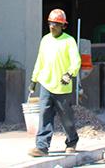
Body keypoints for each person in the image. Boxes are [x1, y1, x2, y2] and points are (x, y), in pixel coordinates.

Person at [27, 9, 81, 158]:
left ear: (63, 26)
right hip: (46, 84)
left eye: (56, 24)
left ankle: (72, 141)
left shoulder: (69, 41)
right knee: (45, 116)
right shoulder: (45, 40)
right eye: (50, 23)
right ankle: (42, 147)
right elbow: (40, 61)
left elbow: (76, 61)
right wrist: (34, 80)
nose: (52, 26)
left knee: (66, 118)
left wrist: (69, 74)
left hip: (62, 87)